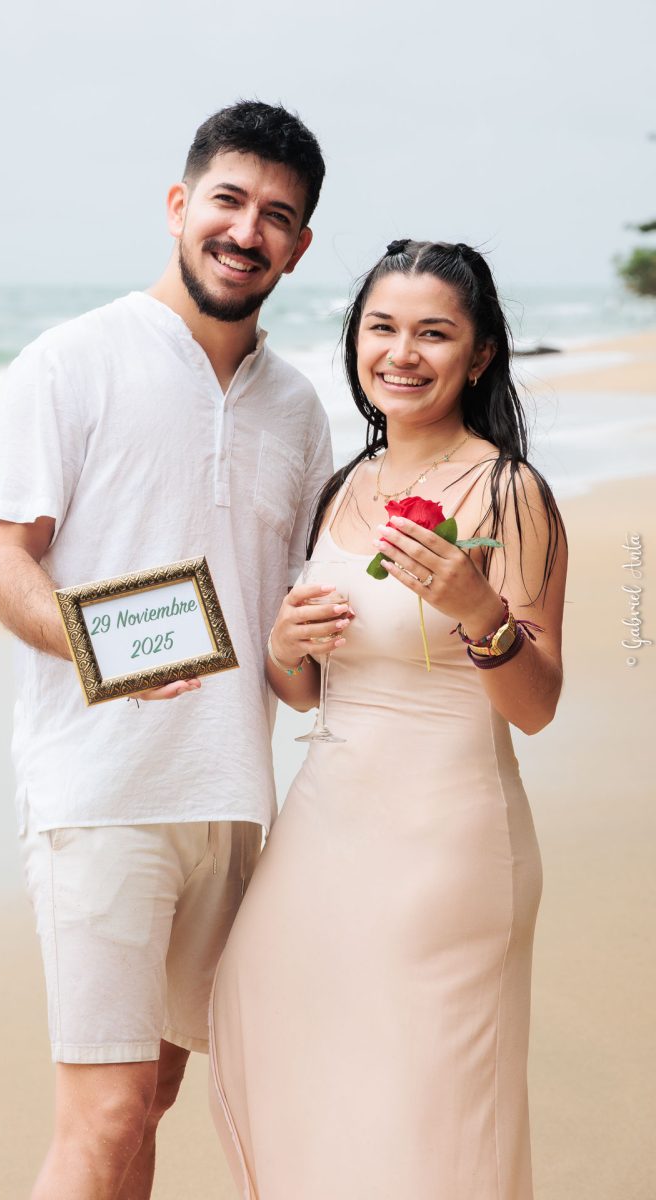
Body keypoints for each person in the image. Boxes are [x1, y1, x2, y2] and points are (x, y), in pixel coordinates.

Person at [0, 100, 331, 1200]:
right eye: (227, 200)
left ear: (299, 245)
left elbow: (287, 636)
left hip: (230, 798)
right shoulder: (69, 361)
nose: (246, 230)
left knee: (150, 1112)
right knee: (106, 1112)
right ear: (179, 206)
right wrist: (99, 650)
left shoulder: (300, 409)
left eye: (276, 215)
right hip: (102, 790)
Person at [209, 239, 567, 1200]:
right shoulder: (344, 486)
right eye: (382, 328)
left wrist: (478, 610)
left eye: (433, 333)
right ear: (355, 339)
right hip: (325, 825)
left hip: (445, 843)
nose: (401, 354)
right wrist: (287, 644)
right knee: (264, 1022)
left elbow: (537, 706)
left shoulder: (508, 493)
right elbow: (311, 690)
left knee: (425, 1110)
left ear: (480, 354)